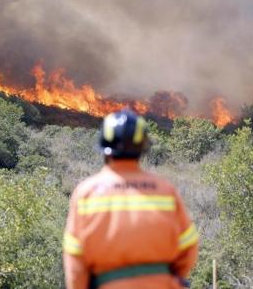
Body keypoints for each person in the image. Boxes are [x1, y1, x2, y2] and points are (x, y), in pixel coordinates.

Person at [63, 109, 198, 289]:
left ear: (105, 150)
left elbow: (75, 259)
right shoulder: (165, 190)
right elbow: (188, 245)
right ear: (142, 149)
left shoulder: (87, 193)